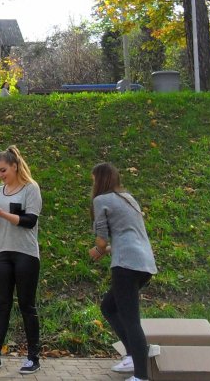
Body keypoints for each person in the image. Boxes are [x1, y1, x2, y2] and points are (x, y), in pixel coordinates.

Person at [0, 145, 42, 375]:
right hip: (3, 252)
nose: (0, 175)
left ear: (15, 166)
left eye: (3, 170)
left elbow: (29, 221)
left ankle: (33, 357)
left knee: (26, 305)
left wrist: (1, 214)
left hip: (26, 254)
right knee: (1, 304)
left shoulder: (30, 188)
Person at [89, 162, 158, 381]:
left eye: (93, 180)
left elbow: (101, 238)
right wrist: (107, 249)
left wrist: (98, 249)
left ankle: (140, 376)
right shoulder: (129, 199)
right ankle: (131, 356)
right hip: (144, 264)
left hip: (126, 265)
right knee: (109, 307)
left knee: (131, 320)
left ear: (99, 180)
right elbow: (129, 234)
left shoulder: (101, 200)